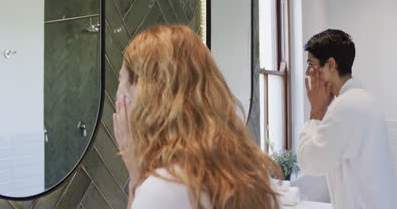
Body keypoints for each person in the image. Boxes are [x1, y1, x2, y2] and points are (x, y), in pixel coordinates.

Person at [113, 25, 281, 209]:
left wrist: (137, 182)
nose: (118, 94)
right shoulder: (248, 171)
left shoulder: (164, 190)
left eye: (120, 79)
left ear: (143, 93)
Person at [298, 29, 396, 208]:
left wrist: (316, 112)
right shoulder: (363, 99)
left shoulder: (347, 106)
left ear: (330, 65)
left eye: (311, 64)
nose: (307, 72)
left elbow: (311, 162)